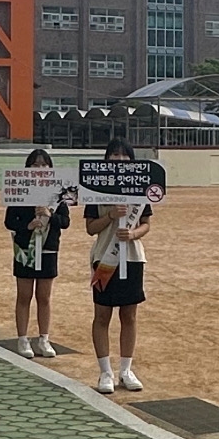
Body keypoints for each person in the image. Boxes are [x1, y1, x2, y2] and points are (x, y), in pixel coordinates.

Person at [86, 138, 151, 394]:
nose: (120, 160)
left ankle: (126, 370)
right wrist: (111, 215)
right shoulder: (95, 187)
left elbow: (146, 224)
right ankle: (105, 372)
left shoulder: (140, 187)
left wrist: (133, 234)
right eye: (115, 155)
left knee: (129, 315)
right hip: (104, 257)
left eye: (125, 156)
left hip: (133, 258)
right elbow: (90, 227)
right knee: (102, 315)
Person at [5, 147, 69, 357]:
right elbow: (9, 221)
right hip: (25, 249)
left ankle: (44, 339)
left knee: (44, 297)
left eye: (44, 165)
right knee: (24, 295)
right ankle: (22, 339)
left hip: (49, 248)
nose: (40, 169)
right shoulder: (20, 190)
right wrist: (28, 226)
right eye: (35, 165)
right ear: (28, 168)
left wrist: (50, 215)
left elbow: (65, 222)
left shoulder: (58, 193)